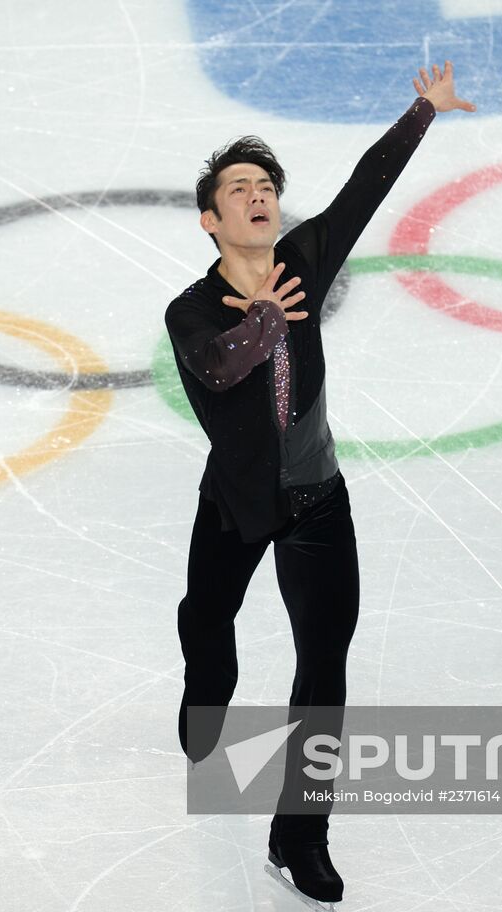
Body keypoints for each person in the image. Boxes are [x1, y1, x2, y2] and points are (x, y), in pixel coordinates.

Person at [165, 63, 476, 907]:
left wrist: (423, 112)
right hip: (234, 506)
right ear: (211, 219)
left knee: (324, 671)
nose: (258, 194)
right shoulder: (190, 312)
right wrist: (265, 314)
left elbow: (362, 191)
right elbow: (222, 368)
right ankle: (207, 703)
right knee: (206, 619)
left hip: (315, 504)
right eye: (239, 187)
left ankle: (299, 835)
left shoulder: (303, 256)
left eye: (266, 184)